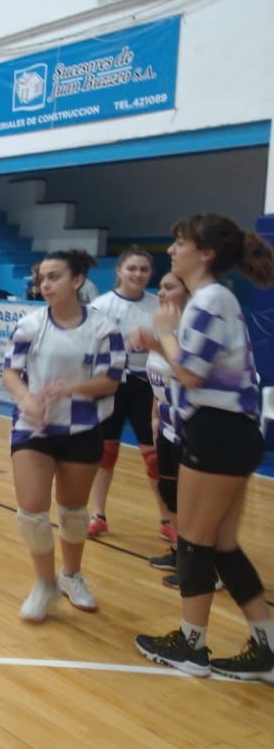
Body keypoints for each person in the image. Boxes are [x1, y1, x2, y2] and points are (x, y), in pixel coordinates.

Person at [134, 214, 274, 682]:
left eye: (180, 242)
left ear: (206, 252)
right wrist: (162, 341)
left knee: (194, 542)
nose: (172, 250)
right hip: (230, 432)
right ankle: (267, 646)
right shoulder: (213, 300)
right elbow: (194, 368)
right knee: (224, 546)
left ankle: (190, 646)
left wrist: (163, 333)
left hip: (218, 432)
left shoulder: (211, 299)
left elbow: (191, 374)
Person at [1, 249, 125, 622]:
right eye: (42, 278)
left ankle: (72, 576)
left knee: (72, 513)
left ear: (77, 280)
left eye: (54, 277)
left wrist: (69, 388)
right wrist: (26, 399)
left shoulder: (104, 328)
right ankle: (44, 583)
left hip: (82, 428)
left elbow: (110, 381)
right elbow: (10, 372)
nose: (45, 284)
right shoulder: (29, 325)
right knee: (32, 514)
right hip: (33, 428)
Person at [87, 246, 162, 540]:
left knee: (155, 456)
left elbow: (170, 346)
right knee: (105, 452)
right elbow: (88, 345)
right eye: (132, 268)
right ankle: (98, 515)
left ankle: (167, 519)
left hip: (147, 385)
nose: (138, 274)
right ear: (119, 270)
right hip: (111, 384)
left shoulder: (158, 306)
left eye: (144, 269)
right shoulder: (101, 306)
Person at [140, 272, 190, 589]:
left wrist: (162, 339)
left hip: (192, 432)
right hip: (168, 427)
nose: (160, 293)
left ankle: (204, 568)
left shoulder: (194, 331)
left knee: (192, 503)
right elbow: (158, 384)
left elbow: (188, 374)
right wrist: (155, 418)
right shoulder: (165, 330)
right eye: (159, 287)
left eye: (169, 287)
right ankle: (182, 553)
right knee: (170, 495)